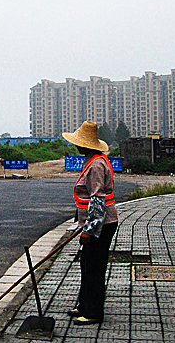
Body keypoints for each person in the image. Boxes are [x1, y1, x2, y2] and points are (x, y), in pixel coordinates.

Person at [62, 121, 119, 326]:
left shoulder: (96, 165)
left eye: (79, 143)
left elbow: (97, 199)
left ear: (86, 145)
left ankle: (93, 312)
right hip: (97, 223)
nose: (76, 146)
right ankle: (84, 305)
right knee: (86, 264)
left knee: (94, 267)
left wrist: (89, 229)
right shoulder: (92, 159)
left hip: (101, 224)